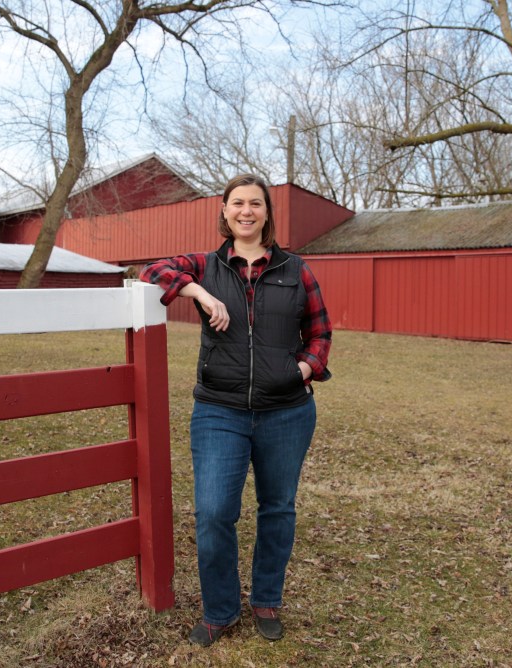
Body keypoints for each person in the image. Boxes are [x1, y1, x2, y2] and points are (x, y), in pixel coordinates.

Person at [140, 173, 332, 646]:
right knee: (213, 512)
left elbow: (320, 333)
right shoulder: (206, 266)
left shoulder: (295, 269)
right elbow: (151, 272)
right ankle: (220, 610)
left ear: (267, 213)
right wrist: (199, 293)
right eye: (237, 204)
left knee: (277, 508)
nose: (246, 211)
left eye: (256, 204)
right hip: (219, 412)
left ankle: (267, 599)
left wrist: (302, 371)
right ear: (224, 212)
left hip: (286, 412)